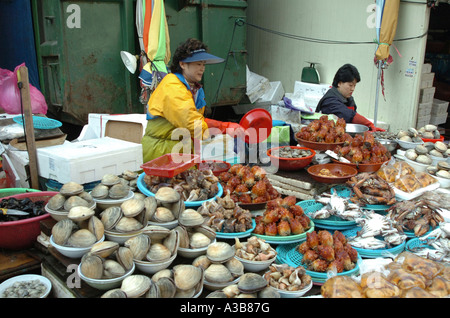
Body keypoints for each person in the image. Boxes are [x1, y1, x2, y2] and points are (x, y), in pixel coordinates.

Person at [141, 38, 246, 163]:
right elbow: (192, 124)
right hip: (161, 151)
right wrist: (225, 127)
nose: (202, 69)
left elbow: (198, 121)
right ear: (182, 64)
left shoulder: (193, 88)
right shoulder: (172, 86)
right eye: (198, 64)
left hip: (180, 149)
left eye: (203, 64)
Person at [316, 64, 385, 132]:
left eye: (354, 85)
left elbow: (353, 122)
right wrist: (369, 124)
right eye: (350, 85)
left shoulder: (349, 99)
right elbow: (349, 115)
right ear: (339, 83)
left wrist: (369, 128)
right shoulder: (329, 101)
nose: (353, 89)